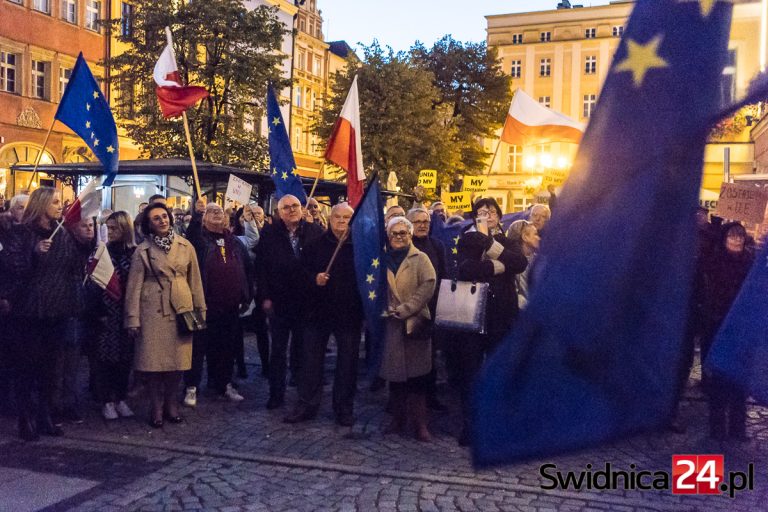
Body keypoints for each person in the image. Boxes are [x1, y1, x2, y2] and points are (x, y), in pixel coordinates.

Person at [5, 187, 85, 440]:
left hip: (57, 308)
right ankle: (25, 418)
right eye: (55, 202)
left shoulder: (62, 233)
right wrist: (34, 254)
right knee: (28, 367)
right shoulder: (21, 232)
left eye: (61, 202)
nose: (60, 206)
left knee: (51, 368)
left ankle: (44, 415)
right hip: (30, 311)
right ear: (41, 204)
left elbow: (73, 266)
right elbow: (13, 267)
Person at [124, 202, 206, 428]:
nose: (162, 221)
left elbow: (195, 280)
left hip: (180, 308)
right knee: (153, 364)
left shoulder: (185, 246)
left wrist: (200, 309)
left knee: (177, 363)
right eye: (156, 219)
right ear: (149, 225)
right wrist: (132, 318)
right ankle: (156, 407)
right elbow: (134, 287)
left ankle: (172, 403)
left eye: (164, 216)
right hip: (152, 312)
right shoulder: (143, 250)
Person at [454, 197, 528, 446]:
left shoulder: (507, 242)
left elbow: (519, 263)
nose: (487, 215)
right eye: (481, 211)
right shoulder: (467, 240)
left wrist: (489, 243)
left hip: (501, 315)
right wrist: (498, 266)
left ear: (498, 215)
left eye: (491, 211)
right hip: (473, 314)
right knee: (471, 372)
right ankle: (471, 426)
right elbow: (465, 270)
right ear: (475, 216)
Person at [285, 203, 363, 426]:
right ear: (330, 219)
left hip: (349, 314)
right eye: (337, 217)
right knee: (310, 362)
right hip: (317, 312)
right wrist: (314, 279)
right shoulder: (314, 245)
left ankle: (343, 408)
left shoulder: (361, 248)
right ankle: (307, 404)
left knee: (347, 364)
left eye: (346, 217)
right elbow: (299, 276)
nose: (341, 221)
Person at [256, 194, 324, 409]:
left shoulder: (314, 232)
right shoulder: (269, 233)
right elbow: (262, 268)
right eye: (286, 207)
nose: (292, 209)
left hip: (306, 302)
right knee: (278, 350)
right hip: (280, 302)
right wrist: (265, 297)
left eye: (295, 205)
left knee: (303, 349)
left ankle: (302, 392)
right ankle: (276, 393)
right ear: (279, 212)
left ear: (302, 208)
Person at [183, 202, 252, 406]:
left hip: (229, 305)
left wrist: (246, 295)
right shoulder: (198, 240)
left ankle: (223, 383)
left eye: (220, 212)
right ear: (203, 218)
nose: (216, 214)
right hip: (201, 304)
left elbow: (246, 268)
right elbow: (192, 236)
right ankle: (191, 386)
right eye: (211, 212)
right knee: (196, 348)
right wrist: (196, 215)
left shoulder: (234, 242)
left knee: (225, 348)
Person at [380, 216, 437, 442]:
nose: (399, 237)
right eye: (395, 233)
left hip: (415, 323)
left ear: (410, 235)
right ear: (388, 235)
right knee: (395, 378)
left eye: (404, 233)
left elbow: (428, 284)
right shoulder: (381, 259)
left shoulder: (420, 258)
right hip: (391, 325)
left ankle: (420, 424)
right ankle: (397, 419)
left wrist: (408, 308)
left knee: (418, 378)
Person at [700, 222, 754, 441]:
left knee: (740, 379)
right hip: (719, 326)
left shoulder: (750, 263)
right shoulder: (713, 262)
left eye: (740, 236)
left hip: (742, 330)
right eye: (732, 235)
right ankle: (717, 428)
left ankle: (737, 428)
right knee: (719, 380)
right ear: (724, 238)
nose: (736, 239)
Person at [93, 212, 136, 420]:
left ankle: (121, 397)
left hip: (127, 312)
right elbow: (95, 284)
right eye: (108, 228)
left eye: (114, 229)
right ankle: (107, 400)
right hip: (107, 313)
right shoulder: (103, 253)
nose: (110, 233)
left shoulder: (134, 253)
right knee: (106, 359)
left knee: (125, 359)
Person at [407, 207, 447, 411]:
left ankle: (429, 397)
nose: (422, 225)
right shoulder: (403, 245)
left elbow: (444, 274)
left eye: (426, 221)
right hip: (407, 309)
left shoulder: (437, 245)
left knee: (429, 358)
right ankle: (400, 401)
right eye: (418, 221)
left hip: (431, 309)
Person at [506, 220, 540, 309]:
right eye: (535, 234)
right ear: (525, 237)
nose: (539, 238)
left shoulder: (540, 260)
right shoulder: (510, 264)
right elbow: (513, 295)